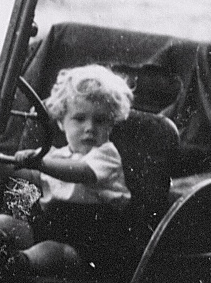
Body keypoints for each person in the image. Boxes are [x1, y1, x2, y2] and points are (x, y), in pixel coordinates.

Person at [9, 64, 133, 271]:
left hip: (91, 241)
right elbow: (30, 176)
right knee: (8, 223)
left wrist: (39, 162)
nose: (90, 128)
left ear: (111, 125)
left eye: (100, 120)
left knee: (51, 251)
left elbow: (81, 172)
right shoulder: (57, 155)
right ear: (61, 122)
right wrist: (6, 163)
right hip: (52, 225)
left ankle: (17, 264)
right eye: (79, 118)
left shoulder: (106, 155)